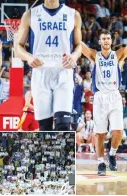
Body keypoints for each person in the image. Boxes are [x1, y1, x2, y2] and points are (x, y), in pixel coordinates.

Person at [81, 17, 127, 175]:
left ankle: (112, 154)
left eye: (108, 38)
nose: (106, 41)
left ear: (111, 40)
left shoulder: (118, 54)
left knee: (118, 131)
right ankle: (101, 163)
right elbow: (80, 45)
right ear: (100, 41)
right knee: (100, 133)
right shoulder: (95, 55)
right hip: (100, 96)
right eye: (103, 39)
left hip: (115, 95)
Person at [16, 0, 82, 130]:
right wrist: (29, 57)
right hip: (41, 72)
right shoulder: (30, 14)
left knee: (63, 125)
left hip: (64, 71)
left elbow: (79, 45)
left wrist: (74, 57)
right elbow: (18, 46)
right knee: (44, 127)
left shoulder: (73, 14)